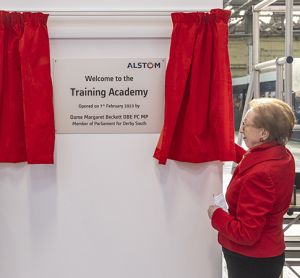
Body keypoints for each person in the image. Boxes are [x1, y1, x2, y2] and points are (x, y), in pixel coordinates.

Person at [207, 98, 296, 278]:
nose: (241, 130)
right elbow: (253, 160)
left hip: (251, 262)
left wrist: (216, 214)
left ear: (263, 133)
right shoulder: (282, 155)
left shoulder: (261, 176)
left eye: (246, 125)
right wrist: (225, 146)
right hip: (267, 254)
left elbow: (246, 234)